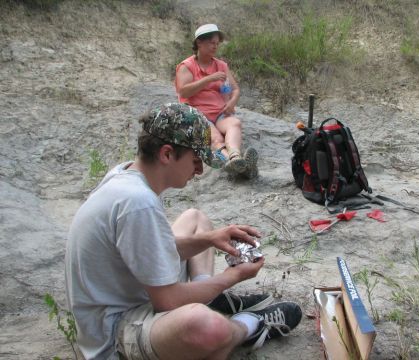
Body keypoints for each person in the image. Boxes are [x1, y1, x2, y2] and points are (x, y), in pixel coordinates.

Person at [65, 103, 302, 360]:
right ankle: (248, 326)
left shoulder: (125, 176)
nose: (199, 171)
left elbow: (150, 249)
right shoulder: (137, 203)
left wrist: (210, 239)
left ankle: (207, 297)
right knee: (205, 326)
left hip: (130, 294)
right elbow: (166, 301)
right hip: (115, 331)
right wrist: (231, 277)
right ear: (167, 154)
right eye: (196, 160)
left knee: (195, 218)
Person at [175, 23, 258, 179]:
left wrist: (232, 102)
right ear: (199, 42)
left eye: (217, 43)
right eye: (211, 42)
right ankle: (229, 161)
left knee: (235, 123)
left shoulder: (221, 65)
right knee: (215, 138)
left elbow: (235, 89)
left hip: (220, 112)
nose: (215, 46)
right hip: (198, 114)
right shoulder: (187, 66)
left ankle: (235, 157)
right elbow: (183, 91)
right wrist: (209, 79)